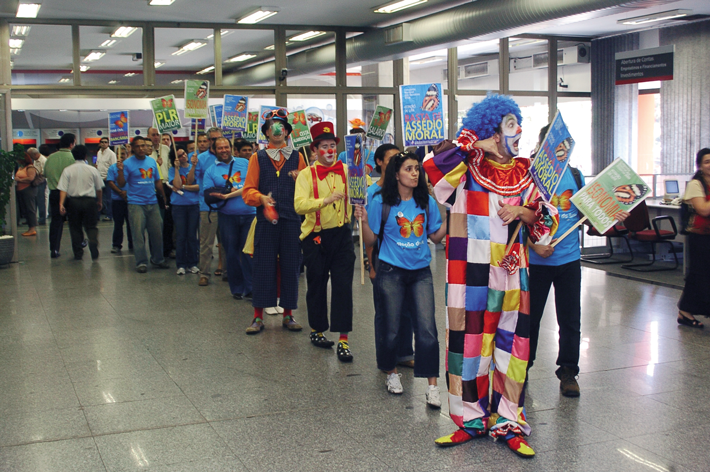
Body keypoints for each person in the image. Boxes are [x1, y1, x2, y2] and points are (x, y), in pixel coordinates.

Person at [423, 94, 559, 458]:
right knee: (468, 348)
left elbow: (547, 223)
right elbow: (432, 171)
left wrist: (524, 213)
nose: (518, 131)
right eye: (510, 124)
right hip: (469, 275)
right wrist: (471, 142)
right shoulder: (467, 168)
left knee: (513, 348)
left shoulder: (529, 171)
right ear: (493, 130)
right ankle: (470, 421)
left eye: (518, 123)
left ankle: (508, 421)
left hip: (514, 274)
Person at [526, 124, 628, 398]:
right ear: (545, 144)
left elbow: (590, 217)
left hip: (569, 260)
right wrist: (534, 246)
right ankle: (522, 369)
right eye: (557, 144)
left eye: (566, 145)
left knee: (570, 319)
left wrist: (611, 213)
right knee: (529, 319)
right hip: (536, 263)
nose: (562, 150)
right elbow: (515, 223)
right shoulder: (530, 177)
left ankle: (568, 370)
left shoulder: (575, 175)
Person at [355, 151, 446, 405]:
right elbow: (371, 239)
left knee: (427, 329)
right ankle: (391, 372)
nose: (415, 173)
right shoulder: (381, 202)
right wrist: (362, 221)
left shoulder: (425, 202)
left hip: (421, 273)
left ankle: (432, 385)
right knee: (391, 328)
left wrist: (453, 212)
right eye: (408, 169)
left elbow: (437, 237)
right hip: (391, 271)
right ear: (396, 174)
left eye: (417, 168)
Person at [294, 122, 356, 361]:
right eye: (324, 146)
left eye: (332, 146)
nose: (329, 150)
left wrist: (360, 203)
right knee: (317, 284)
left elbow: (364, 191)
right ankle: (316, 329)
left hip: (342, 236)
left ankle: (343, 339)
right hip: (315, 237)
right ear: (315, 150)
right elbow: (299, 205)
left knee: (342, 287)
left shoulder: (349, 170)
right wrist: (326, 200)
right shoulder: (306, 175)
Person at [242, 108, 307, 334]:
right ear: (267, 133)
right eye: (272, 127)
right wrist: (260, 197)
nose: (276, 130)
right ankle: (257, 317)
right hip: (265, 222)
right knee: (263, 266)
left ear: (287, 132)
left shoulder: (299, 157)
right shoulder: (257, 158)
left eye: (281, 127)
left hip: (291, 220)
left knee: (291, 266)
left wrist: (302, 180)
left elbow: (307, 192)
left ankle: (288, 314)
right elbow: (247, 190)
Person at [365, 144, 416, 368]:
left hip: (408, 260)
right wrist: (371, 265)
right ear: (379, 162)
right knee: (385, 310)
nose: (398, 160)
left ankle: (405, 353)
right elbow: (370, 235)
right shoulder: (373, 193)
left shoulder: (410, 191)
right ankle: (385, 358)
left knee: (406, 308)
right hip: (382, 256)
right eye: (392, 158)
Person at [202, 137, 255, 298]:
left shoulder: (246, 163)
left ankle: (251, 288)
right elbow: (208, 195)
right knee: (231, 254)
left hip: (249, 215)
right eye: (220, 148)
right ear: (214, 150)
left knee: (249, 253)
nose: (224, 150)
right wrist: (225, 191)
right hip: (227, 217)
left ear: (231, 148)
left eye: (226, 147)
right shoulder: (211, 170)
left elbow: (255, 183)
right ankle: (237, 289)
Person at [116, 136, 169, 273]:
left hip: (152, 202)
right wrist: (120, 170)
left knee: (157, 233)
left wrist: (162, 196)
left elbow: (157, 180)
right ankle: (141, 262)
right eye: (138, 146)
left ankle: (158, 259)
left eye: (144, 146)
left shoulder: (152, 162)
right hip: (136, 203)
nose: (141, 148)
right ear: (133, 148)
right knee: (138, 234)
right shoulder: (127, 163)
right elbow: (121, 184)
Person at [187, 127, 227, 286]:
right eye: (214, 139)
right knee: (206, 243)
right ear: (209, 140)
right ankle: (204, 273)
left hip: (226, 206)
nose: (217, 142)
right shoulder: (200, 158)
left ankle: (226, 271)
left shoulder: (228, 158)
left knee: (226, 242)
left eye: (220, 138)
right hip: (208, 207)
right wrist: (192, 165)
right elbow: (190, 181)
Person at [677, 148, 710, 328]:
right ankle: (685, 311)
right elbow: (703, 209)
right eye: (707, 162)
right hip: (700, 236)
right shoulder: (695, 184)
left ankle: (687, 310)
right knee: (699, 274)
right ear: (700, 165)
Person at [57, 145, 104, 260]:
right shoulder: (93, 170)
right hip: (89, 202)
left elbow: (63, 189)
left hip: (73, 202)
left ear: (73, 156)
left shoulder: (67, 170)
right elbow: (99, 189)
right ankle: (93, 242)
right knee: (91, 226)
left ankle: (78, 253)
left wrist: (61, 204)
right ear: (85, 156)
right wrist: (99, 201)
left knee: (75, 228)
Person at [44, 133, 78, 258]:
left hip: (54, 193)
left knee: (56, 222)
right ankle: (78, 245)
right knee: (74, 221)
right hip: (70, 194)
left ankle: (54, 249)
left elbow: (45, 174)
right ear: (71, 144)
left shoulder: (51, 157)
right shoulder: (73, 157)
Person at [169, 144, 200, 275]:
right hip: (178, 205)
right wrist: (176, 169)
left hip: (193, 204)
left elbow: (198, 186)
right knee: (181, 236)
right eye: (180, 155)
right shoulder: (172, 170)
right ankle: (181, 264)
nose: (184, 156)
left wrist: (184, 187)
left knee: (192, 235)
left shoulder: (195, 168)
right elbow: (176, 184)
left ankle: (193, 263)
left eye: (184, 153)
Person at [106, 152, 133, 253]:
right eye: (119, 154)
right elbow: (110, 182)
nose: (121, 156)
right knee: (118, 224)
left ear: (127, 154)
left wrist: (128, 193)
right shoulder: (112, 168)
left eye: (123, 154)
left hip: (130, 199)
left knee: (132, 224)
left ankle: (133, 243)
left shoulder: (130, 167)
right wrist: (120, 192)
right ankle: (116, 245)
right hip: (117, 200)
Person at [14, 152, 38, 237]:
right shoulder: (21, 167)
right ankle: (30, 227)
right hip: (21, 190)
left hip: (28, 190)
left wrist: (19, 180)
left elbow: (31, 178)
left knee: (30, 209)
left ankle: (32, 228)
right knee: (26, 210)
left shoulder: (30, 167)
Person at [95, 137, 117, 222]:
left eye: (105, 142)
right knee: (98, 198)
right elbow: (97, 164)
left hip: (107, 179)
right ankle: (97, 215)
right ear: (100, 143)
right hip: (99, 178)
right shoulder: (99, 153)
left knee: (108, 199)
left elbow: (113, 167)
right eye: (102, 142)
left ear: (108, 144)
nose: (104, 143)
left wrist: (108, 177)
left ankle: (109, 215)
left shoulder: (111, 154)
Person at [28, 147, 48, 226]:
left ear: (35, 154)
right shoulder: (36, 160)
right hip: (36, 182)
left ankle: (42, 219)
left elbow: (44, 172)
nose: (31, 158)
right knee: (35, 201)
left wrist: (35, 173)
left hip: (41, 182)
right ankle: (35, 219)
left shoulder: (43, 160)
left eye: (31, 156)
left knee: (41, 201)